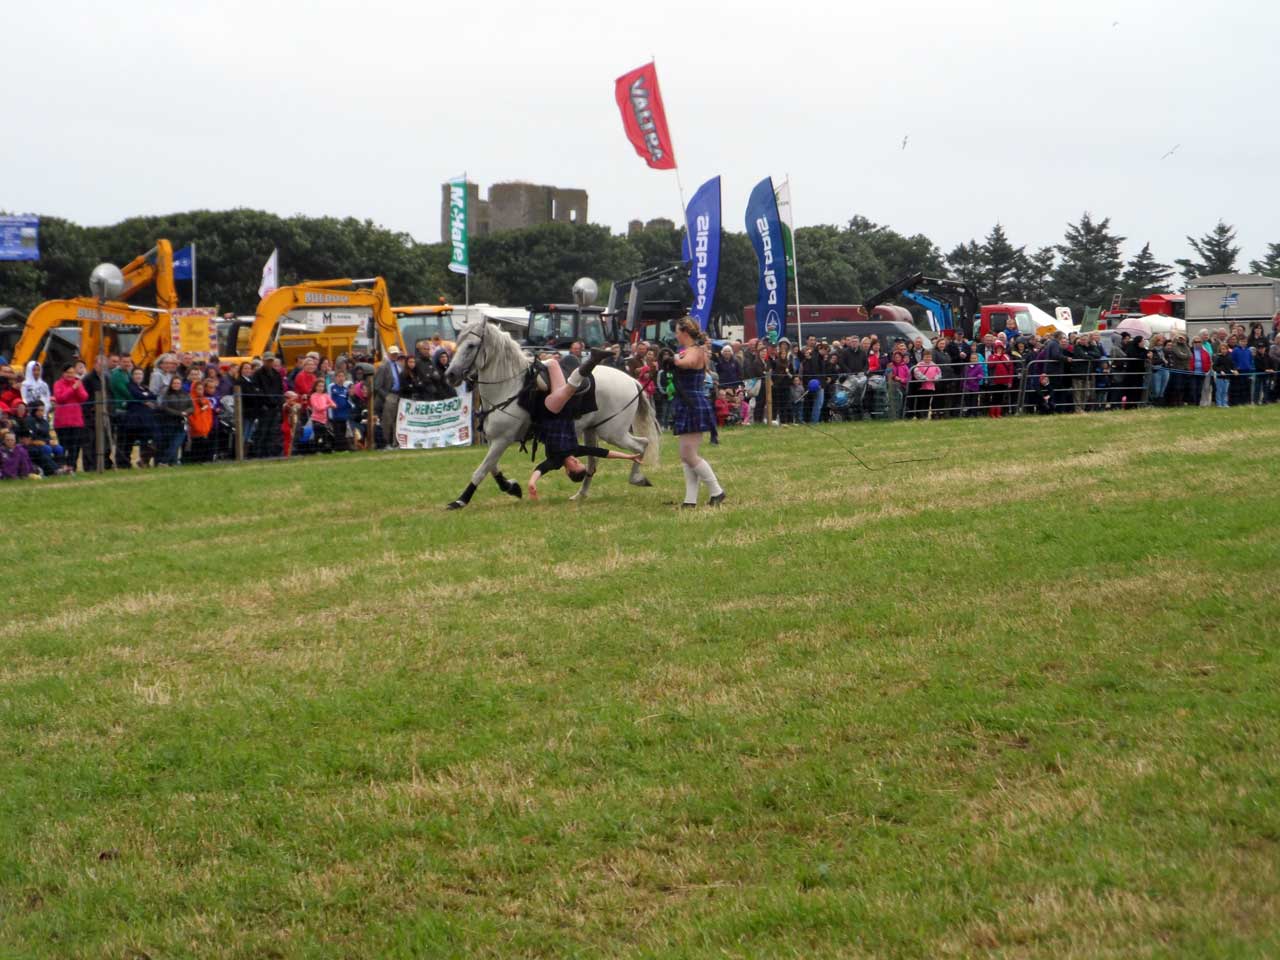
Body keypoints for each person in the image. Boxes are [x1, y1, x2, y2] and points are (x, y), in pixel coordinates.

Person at [526, 346, 639, 499]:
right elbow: (602, 453)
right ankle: (590, 359)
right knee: (553, 365)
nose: (576, 460)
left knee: (570, 386)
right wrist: (628, 457)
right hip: (564, 407)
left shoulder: (555, 460)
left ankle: (592, 359)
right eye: (580, 462)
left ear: (567, 471)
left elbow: (540, 469)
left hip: (551, 410)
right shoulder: (575, 449)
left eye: (575, 465)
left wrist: (532, 483)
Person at [670, 317, 725, 508]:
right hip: (687, 402)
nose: (676, 335)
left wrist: (673, 359)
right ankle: (690, 500)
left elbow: (687, 363)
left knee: (688, 453)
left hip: (693, 403)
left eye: (677, 331)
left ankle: (717, 491)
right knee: (687, 454)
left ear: (685, 332)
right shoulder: (688, 350)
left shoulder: (695, 351)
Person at [52, 363, 89, 473]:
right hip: (62, 421)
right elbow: (60, 398)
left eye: (72, 372)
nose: (70, 375)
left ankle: (72, 466)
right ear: (63, 373)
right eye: (68, 372)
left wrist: (76, 388)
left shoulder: (78, 383)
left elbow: (84, 397)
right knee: (64, 445)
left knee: (75, 446)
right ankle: (64, 466)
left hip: (76, 420)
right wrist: (73, 388)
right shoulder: (58, 384)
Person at [252, 352, 285, 458]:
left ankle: (269, 453)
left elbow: (280, 390)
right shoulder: (257, 374)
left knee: (272, 432)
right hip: (264, 408)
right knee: (262, 431)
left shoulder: (276, 374)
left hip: (274, 407)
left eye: (271, 360)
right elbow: (256, 391)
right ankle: (258, 453)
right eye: (267, 361)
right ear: (263, 361)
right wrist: (263, 404)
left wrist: (279, 404)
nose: (269, 363)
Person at [373, 345, 405, 448]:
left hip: (399, 395)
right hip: (389, 394)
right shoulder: (383, 367)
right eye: (392, 354)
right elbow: (377, 385)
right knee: (387, 420)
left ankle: (395, 442)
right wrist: (386, 396)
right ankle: (386, 442)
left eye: (396, 354)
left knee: (398, 420)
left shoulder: (399, 366)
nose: (394, 355)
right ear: (388, 354)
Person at [157, 374, 192, 465]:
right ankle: (172, 463)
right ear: (171, 384)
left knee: (176, 443)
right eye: (174, 383)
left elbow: (191, 407)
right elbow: (165, 408)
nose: (176, 385)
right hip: (170, 422)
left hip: (182, 423)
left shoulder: (186, 394)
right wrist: (179, 413)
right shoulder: (167, 395)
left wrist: (186, 412)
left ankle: (164, 461)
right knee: (171, 444)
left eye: (178, 383)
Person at [186, 379, 214, 463]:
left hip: (205, 429)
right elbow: (191, 415)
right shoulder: (190, 400)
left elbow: (209, 415)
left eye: (201, 389)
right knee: (196, 446)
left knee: (205, 445)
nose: (200, 391)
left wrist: (208, 426)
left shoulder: (206, 400)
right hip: (195, 429)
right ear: (194, 389)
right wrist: (196, 426)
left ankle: (204, 460)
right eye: (198, 389)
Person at [308, 378, 336, 452]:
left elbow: (334, 404)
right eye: (319, 386)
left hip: (324, 420)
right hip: (316, 419)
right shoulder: (313, 396)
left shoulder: (325, 395)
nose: (321, 388)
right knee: (318, 436)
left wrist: (331, 404)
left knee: (326, 436)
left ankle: (325, 450)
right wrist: (328, 405)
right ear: (315, 387)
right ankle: (316, 450)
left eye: (322, 386)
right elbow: (318, 408)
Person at [328, 370, 352, 451]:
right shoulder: (332, 387)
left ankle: (340, 449)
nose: (341, 378)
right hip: (335, 415)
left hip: (344, 416)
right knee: (338, 433)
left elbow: (348, 401)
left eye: (342, 376)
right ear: (335, 378)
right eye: (339, 376)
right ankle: (343, 448)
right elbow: (329, 399)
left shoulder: (345, 389)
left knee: (343, 431)